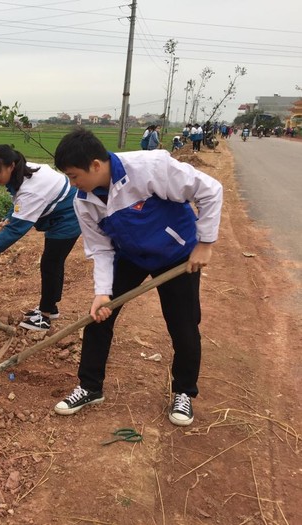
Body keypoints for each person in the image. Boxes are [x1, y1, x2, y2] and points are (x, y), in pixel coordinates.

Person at [52, 129, 223, 426]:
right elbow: (101, 248)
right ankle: (90, 387)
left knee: (183, 325)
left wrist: (205, 243)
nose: (72, 183)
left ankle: (183, 392)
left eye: (74, 175)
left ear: (95, 165)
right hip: (130, 256)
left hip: (176, 255)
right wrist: (102, 292)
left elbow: (210, 189)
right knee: (99, 317)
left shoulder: (150, 167)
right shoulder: (84, 201)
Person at [0, 145, 81, 331]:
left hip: (68, 218)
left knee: (51, 264)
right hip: (62, 213)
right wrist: (10, 215)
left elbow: (15, 231)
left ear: (11, 166)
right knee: (53, 262)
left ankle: (44, 317)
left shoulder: (31, 190)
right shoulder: (25, 170)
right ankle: (50, 307)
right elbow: (18, 198)